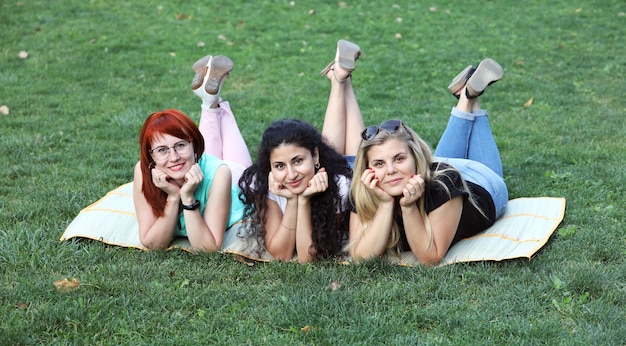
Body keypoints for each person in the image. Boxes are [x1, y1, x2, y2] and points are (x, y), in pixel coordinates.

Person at [350, 58, 509, 265]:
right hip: (432, 167)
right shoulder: (364, 190)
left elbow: (430, 257)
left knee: (451, 171)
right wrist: (386, 203)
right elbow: (361, 257)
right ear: (367, 168)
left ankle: (470, 97)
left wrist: (408, 207)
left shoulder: (443, 184)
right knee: (438, 164)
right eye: (379, 163)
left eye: (399, 158)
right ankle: (468, 95)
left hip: (482, 180)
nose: (390, 170)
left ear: (416, 158)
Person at [238, 40, 364, 263]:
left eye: (297, 161)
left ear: (315, 156)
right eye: (279, 166)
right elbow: (281, 253)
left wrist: (304, 200)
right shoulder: (264, 183)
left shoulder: (340, 188)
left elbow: (308, 255)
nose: (291, 174)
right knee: (332, 148)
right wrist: (296, 202)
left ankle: (341, 80)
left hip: (347, 173)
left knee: (355, 157)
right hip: (321, 166)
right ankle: (340, 78)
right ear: (269, 166)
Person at [133, 55, 252, 252]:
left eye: (180, 146)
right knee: (186, 155)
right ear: (150, 155)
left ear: (194, 147)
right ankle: (210, 101)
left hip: (236, 178)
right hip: (198, 162)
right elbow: (153, 243)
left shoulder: (221, 173)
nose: (173, 157)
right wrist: (173, 198)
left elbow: (208, 247)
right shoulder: (143, 170)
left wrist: (187, 198)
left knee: (236, 160)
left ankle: (212, 101)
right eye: (162, 150)